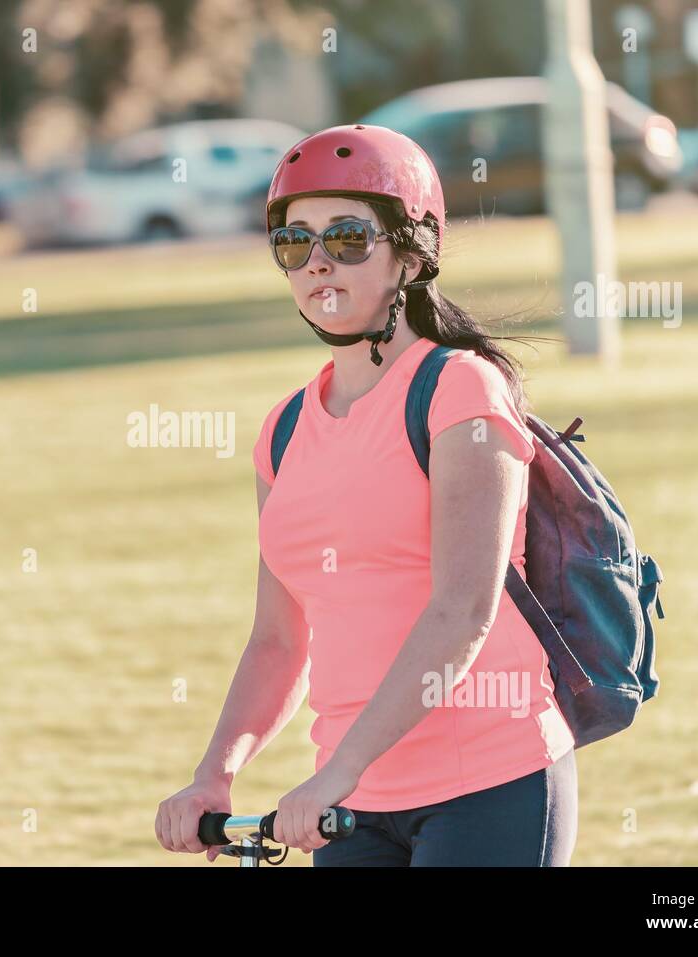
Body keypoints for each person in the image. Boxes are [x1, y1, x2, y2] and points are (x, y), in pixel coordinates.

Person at [156, 125, 578, 866]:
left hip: (488, 781)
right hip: (350, 807)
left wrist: (336, 772)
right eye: (295, 242)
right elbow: (280, 639)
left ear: (412, 254)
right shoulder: (284, 430)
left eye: (348, 237)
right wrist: (215, 772)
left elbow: (462, 608)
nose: (318, 261)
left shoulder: (459, 390)